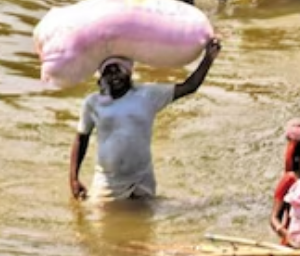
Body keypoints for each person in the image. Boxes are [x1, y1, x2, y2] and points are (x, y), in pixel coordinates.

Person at [69, 38, 221, 201]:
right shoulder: (93, 103)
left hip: (142, 181)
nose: (114, 76)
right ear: (101, 78)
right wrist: (73, 179)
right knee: (98, 223)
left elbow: (190, 86)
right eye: (108, 71)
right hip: (108, 183)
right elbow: (81, 139)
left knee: (145, 224)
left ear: (129, 71)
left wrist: (208, 58)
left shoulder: (148, 95)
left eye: (118, 69)